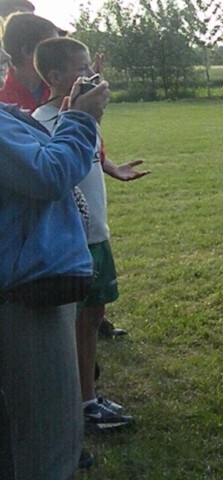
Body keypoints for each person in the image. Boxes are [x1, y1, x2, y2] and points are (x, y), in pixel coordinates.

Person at [0, 73, 110, 479]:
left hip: (22, 287)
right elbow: (47, 175)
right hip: (23, 297)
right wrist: (81, 120)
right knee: (47, 437)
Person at [33, 36, 144, 431]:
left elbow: (91, 154)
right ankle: (73, 405)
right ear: (54, 77)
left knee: (94, 316)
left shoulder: (85, 120)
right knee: (69, 326)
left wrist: (111, 166)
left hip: (97, 235)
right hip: (70, 243)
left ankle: (87, 399)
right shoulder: (41, 124)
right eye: (81, 69)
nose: (91, 76)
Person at [0, 13, 58, 113]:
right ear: (27, 51)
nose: (61, 53)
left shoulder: (61, 87)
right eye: (52, 47)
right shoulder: (3, 96)